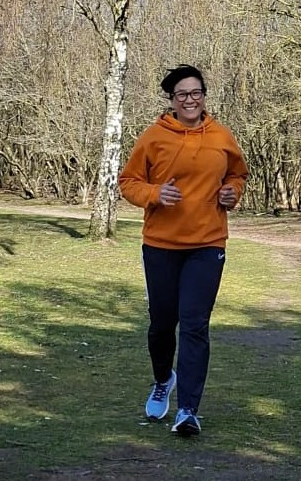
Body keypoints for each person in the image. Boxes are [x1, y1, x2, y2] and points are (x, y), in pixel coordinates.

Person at [119, 64, 248, 436]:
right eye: (182, 95)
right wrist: (155, 193)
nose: (190, 100)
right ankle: (163, 379)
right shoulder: (154, 137)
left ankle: (188, 410)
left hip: (207, 244)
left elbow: (237, 174)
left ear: (204, 96)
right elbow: (128, 182)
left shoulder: (221, 135)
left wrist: (232, 193)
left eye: (196, 93)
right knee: (162, 325)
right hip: (161, 245)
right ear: (172, 100)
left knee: (194, 324)